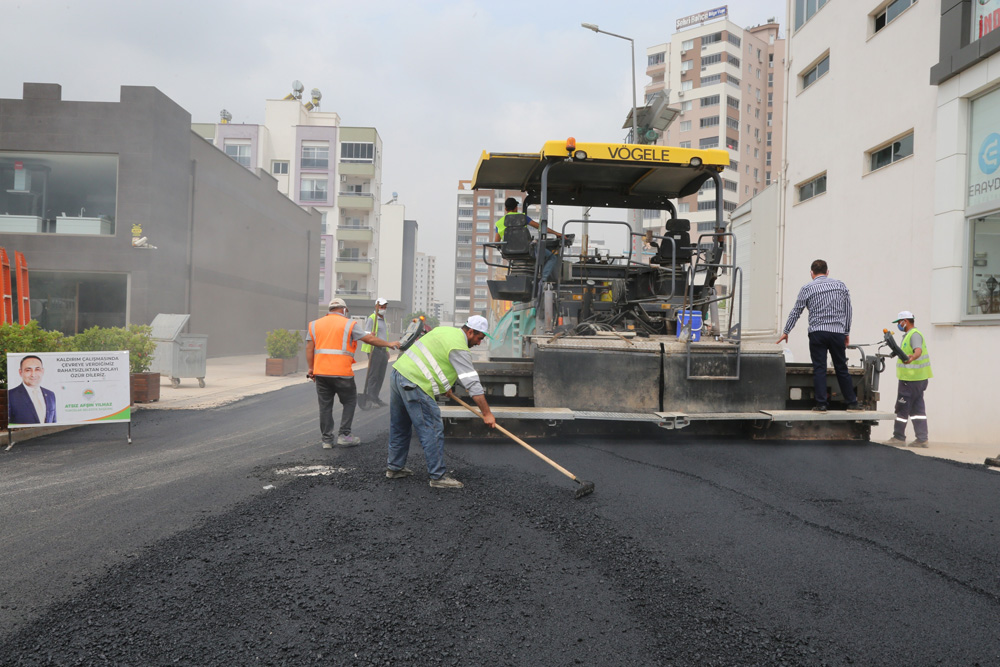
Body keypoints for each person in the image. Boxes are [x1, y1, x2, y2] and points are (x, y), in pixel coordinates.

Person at [386, 315, 496, 489]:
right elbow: (473, 384)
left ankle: (395, 467)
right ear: (470, 332)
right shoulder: (459, 346)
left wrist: (444, 385)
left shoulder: (444, 331)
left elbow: (434, 358)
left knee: (399, 425)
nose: (479, 343)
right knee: (432, 428)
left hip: (399, 374)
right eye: (479, 338)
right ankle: (438, 476)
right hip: (414, 382)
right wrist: (487, 414)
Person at [306, 297, 400, 449]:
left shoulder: (314, 325)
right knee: (349, 401)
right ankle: (344, 435)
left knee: (325, 406)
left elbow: (309, 349)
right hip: (342, 372)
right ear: (344, 310)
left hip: (321, 373)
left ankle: (327, 440)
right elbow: (369, 338)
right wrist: (388, 344)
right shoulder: (349, 324)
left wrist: (311, 368)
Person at [776, 259, 861, 413]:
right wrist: (846, 332)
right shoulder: (840, 286)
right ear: (827, 272)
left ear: (811, 273)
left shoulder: (807, 288)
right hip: (837, 333)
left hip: (817, 333)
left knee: (819, 368)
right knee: (841, 367)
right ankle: (852, 403)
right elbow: (848, 310)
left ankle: (821, 404)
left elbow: (796, 311)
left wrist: (786, 331)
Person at [883, 310, 932, 448]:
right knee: (917, 409)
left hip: (910, 380)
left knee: (902, 407)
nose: (898, 325)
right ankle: (922, 439)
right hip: (918, 379)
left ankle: (898, 437)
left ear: (905, 321)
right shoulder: (909, 335)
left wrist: (911, 358)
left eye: (899, 322)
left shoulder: (914, 335)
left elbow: (918, 351)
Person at [493, 197, 562, 283]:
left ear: (506, 209)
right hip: (527, 250)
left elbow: (496, 243)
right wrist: (557, 234)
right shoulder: (523, 218)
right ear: (516, 208)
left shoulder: (499, 223)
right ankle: (543, 279)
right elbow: (540, 227)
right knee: (552, 257)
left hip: (510, 253)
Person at [359, 297, 390, 409]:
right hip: (374, 349)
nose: (383, 309)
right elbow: (365, 333)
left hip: (382, 350)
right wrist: (370, 334)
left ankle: (375, 396)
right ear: (376, 307)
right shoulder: (372, 318)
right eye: (381, 307)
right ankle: (371, 397)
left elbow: (384, 336)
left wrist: (386, 350)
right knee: (374, 374)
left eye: (385, 307)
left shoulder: (383, 319)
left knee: (381, 375)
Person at [8, 355, 57, 424]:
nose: (33, 374)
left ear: (42, 371)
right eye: (28, 370)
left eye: (37, 369)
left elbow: (54, 422)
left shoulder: (50, 395)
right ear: (20, 372)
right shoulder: (10, 396)